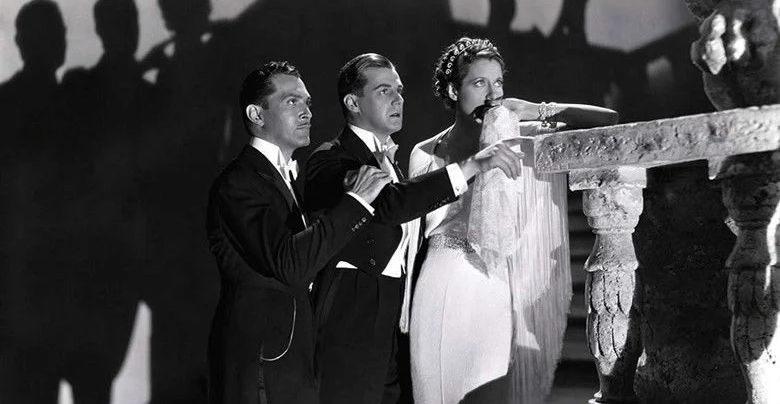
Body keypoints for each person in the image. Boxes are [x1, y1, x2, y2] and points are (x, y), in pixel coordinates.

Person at [303, 53, 524, 404]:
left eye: (400, 91)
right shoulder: (329, 160)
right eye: (384, 91)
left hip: (399, 317)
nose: (398, 100)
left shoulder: (392, 161)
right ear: (352, 102)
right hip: (352, 316)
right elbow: (391, 204)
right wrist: (473, 165)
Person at [408, 37, 618, 404]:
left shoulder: (519, 138)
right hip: (436, 284)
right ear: (454, 90)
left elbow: (608, 120)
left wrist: (535, 109)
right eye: (479, 83)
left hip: (490, 286)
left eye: (498, 82)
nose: (493, 95)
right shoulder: (424, 152)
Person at [206, 61, 393, 404]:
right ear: (256, 114)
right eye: (291, 101)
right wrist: (356, 202)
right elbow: (290, 264)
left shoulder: (287, 179)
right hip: (262, 363)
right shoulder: (238, 184)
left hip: (295, 361)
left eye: (307, 102)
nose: (307, 112)